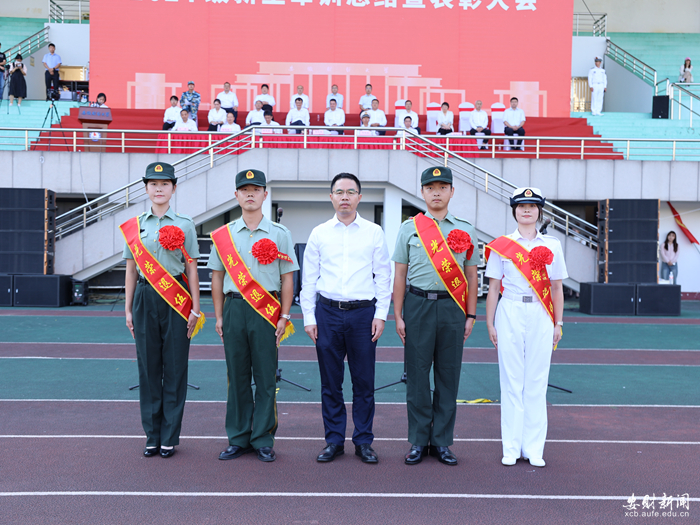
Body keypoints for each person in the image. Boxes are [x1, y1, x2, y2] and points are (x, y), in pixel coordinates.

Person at [208, 169, 299, 463]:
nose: (250, 194)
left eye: (256, 189)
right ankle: (237, 437)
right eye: (244, 190)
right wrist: (219, 316)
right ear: (236, 195)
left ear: (264, 194)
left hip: (267, 311)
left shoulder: (280, 234)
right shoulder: (223, 236)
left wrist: (284, 315)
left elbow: (287, 279)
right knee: (236, 376)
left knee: (264, 377)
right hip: (234, 308)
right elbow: (217, 278)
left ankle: (262, 437)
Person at [301, 173, 391, 465]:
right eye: (339, 192)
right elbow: (309, 280)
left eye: (350, 192)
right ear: (331, 197)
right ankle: (334, 440)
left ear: (359, 198)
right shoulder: (319, 233)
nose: (344, 197)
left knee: (364, 382)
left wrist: (381, 315)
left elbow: (383, 277)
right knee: (331, 383)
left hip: (363, 315)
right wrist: (309, 317)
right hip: (326, 313)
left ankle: (364, 441)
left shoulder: (374, 232)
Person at [392, 166, 479, 466]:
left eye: (443, 187)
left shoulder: (465, 230)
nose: (437, 192)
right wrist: (398, 314)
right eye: (431, 187)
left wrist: (471, 314)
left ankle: (441, 441)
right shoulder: (409, 228)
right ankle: (418, 440)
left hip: (453, 309)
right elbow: (400, 275)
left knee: (448, 376)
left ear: (452, 192)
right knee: (417, 376)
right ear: (423, 192)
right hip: (417, 307)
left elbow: (470, 275)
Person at [121, 162, 202, 459]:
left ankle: (169, 435)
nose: (158, 188)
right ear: (145, 188)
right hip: (144, 295)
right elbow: (130, 269)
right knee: (148, 368)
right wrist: (128, 309)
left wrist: (195, 306)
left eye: (164, 183)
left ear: (174, 188)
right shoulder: (135, 225)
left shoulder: (185, 224)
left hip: (177, 298)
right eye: (153, 184)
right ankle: (151, 435)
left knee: (176, 367)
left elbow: (192, 267)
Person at [484, 187, 566, 468]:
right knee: (511, 381)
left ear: (539, 211)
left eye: (532, 206)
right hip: (510, 310)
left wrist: (559, 322)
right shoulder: (502, 245)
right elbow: (493, 287)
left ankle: (533, 448)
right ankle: (511, 447)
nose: (527, 210)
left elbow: (556, 287)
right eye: (521, 206)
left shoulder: (553, 244)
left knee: (536, 382)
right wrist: (490, 322)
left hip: (541, 313)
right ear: (514, 211)